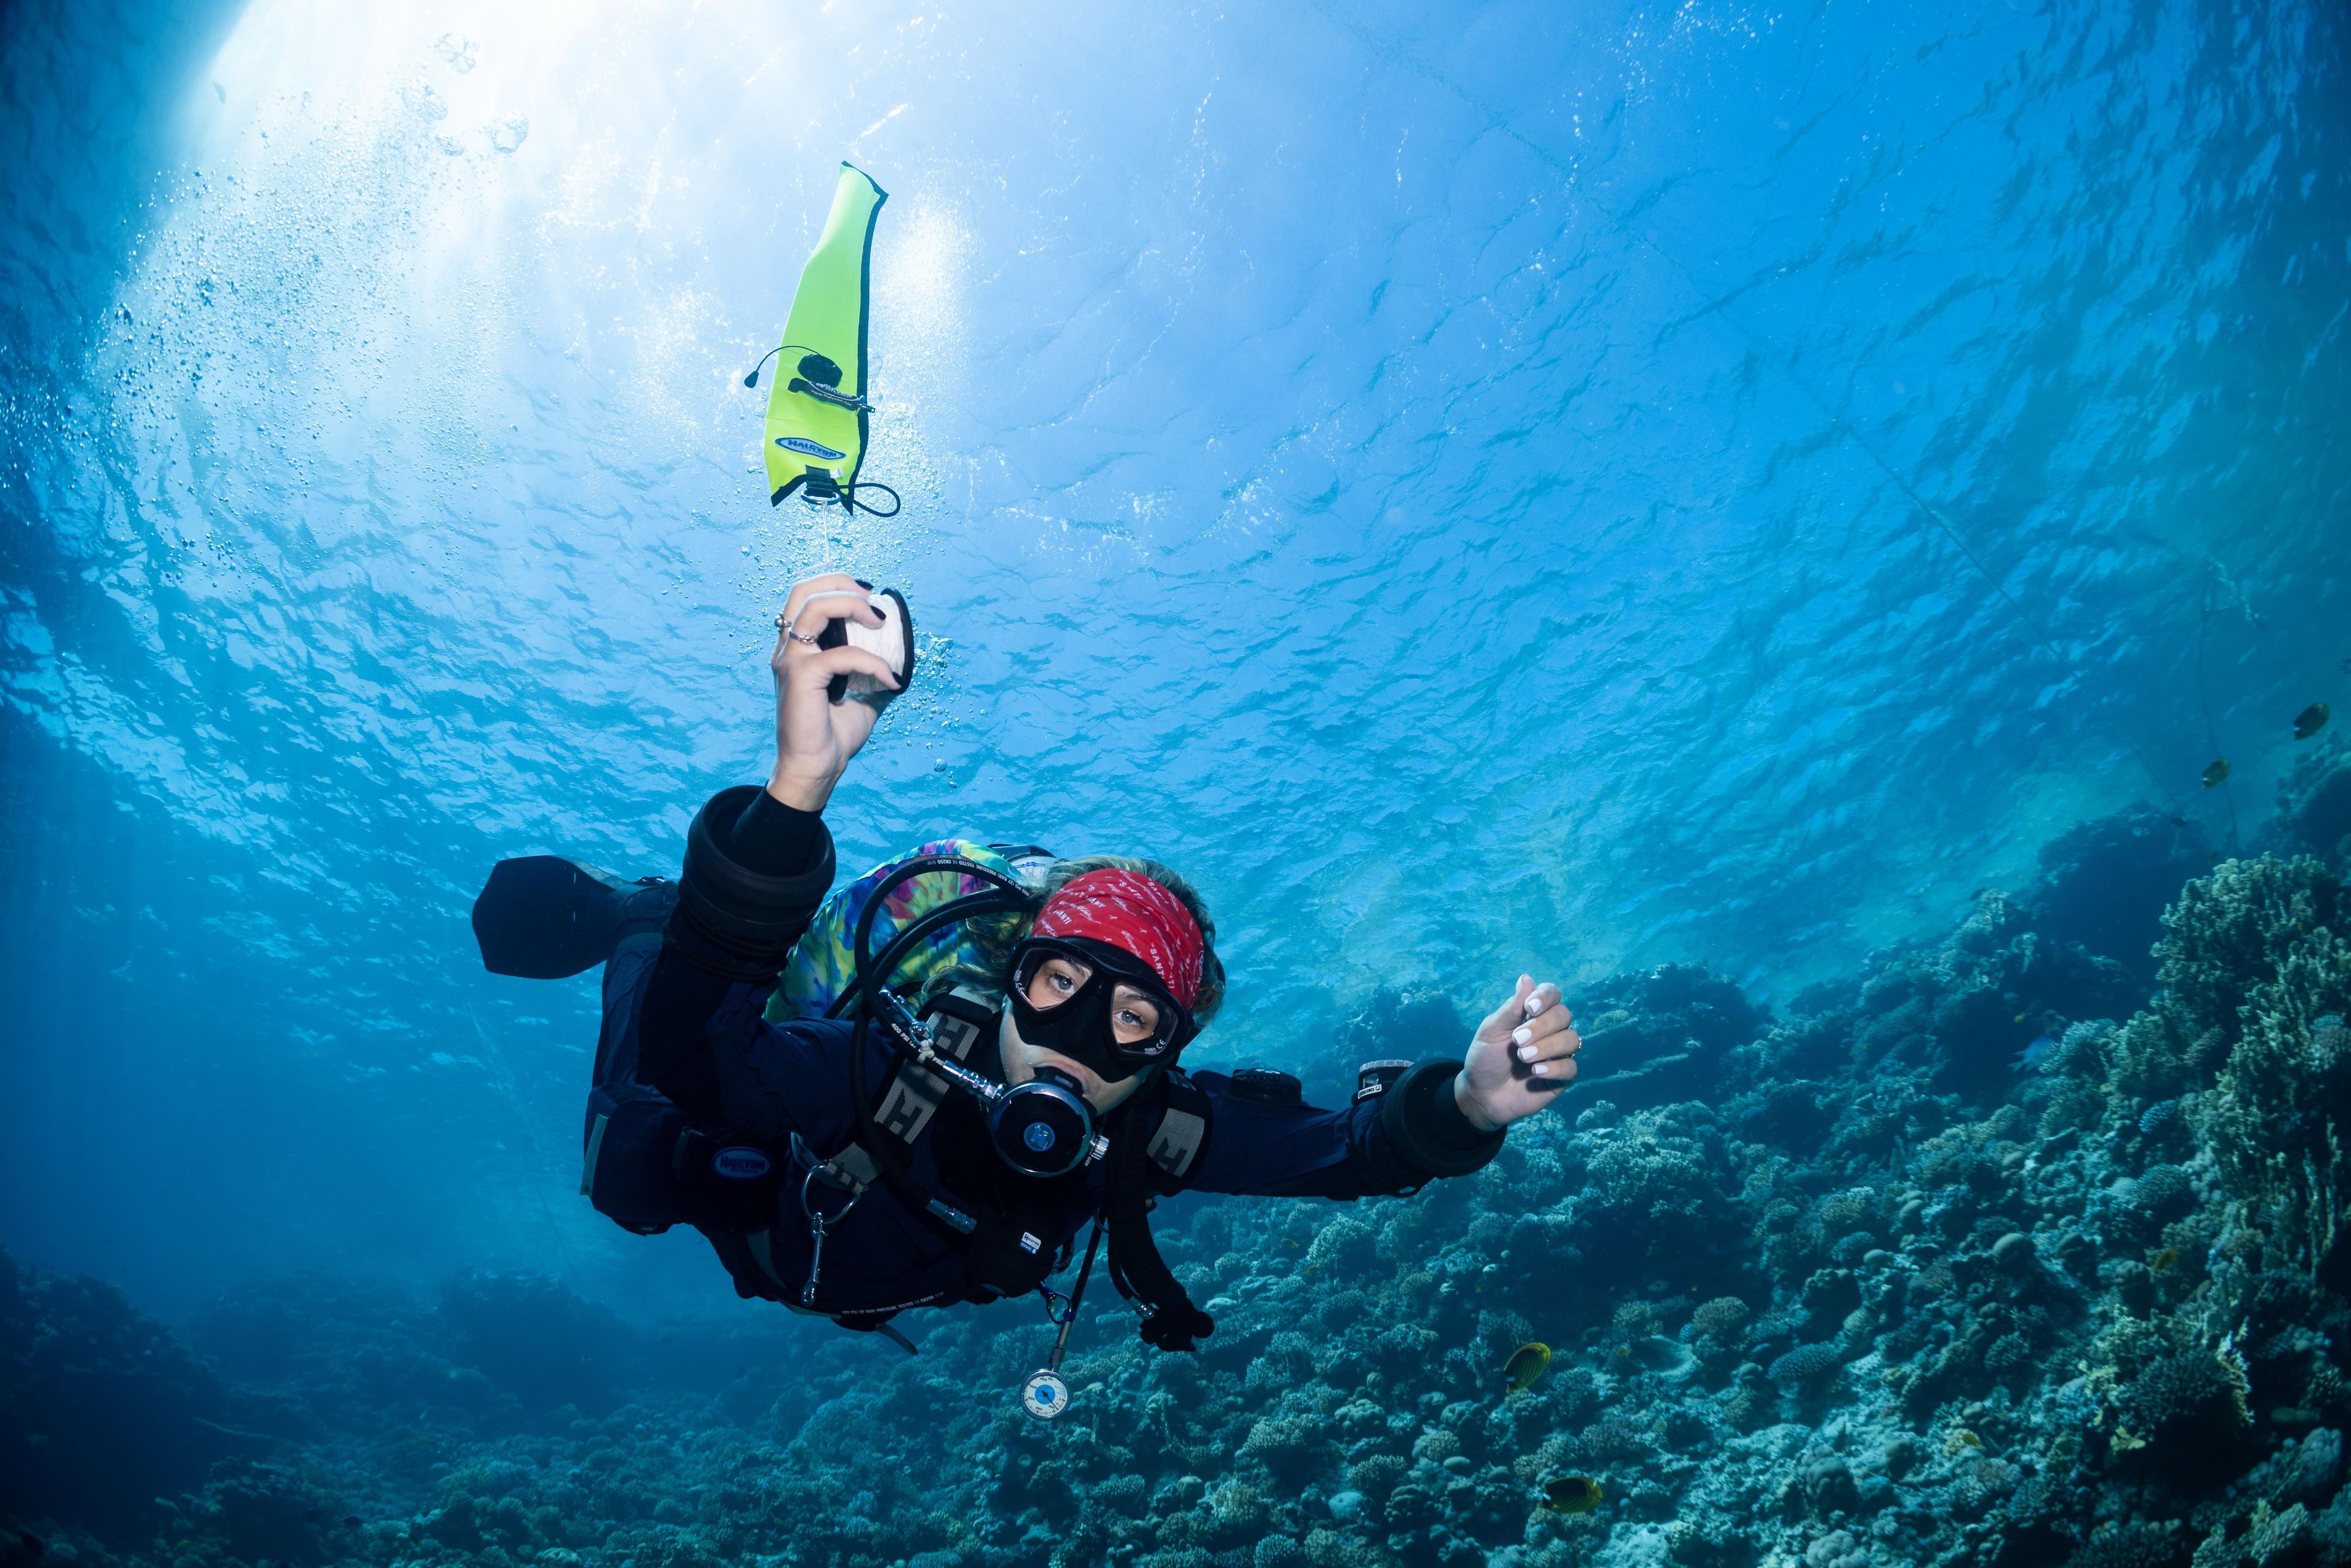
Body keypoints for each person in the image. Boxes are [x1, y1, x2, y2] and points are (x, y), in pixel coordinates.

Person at [503, 572, 1581, 1372]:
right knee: (635, 1161)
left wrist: (1467, 1104)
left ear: (1165, 1051)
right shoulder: (887, 1065)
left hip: (819, 1272)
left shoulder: (1145, 1129)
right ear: (1012, 974)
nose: (1077, 1040)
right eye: (1060, 983)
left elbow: (1342, 1151)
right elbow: (695, 1058)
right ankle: (650, 917)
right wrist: (796, 792)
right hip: (743, 1210)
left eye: (1133, 1017)